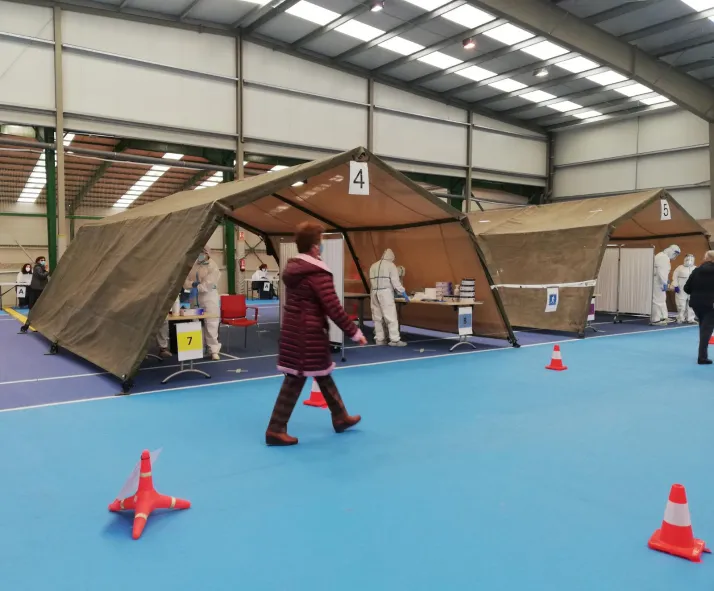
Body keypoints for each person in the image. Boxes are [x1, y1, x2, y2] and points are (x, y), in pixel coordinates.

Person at [266, 222, 367, 446]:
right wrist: (354, 332)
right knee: (295, 380)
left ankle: (340, 417)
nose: (321, 246)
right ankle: (275, 429)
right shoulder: (316, 273)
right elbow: (333, 307)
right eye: (320, 242)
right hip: (307, 335)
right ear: (314, 247)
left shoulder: (296, 270)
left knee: (323, 374)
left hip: (297, 332)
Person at [183, 246, 221, 361]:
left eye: (202, 252)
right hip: (194, 297)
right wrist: (192, 285)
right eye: (199, 252)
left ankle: (213, 350)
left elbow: (208, 285)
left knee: (211, 323)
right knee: (195, 322)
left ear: (207, 253)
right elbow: (185, 281)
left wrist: (195, 285)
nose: (200, 254)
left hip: (209, 297)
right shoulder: (194, 265)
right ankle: (197, 348)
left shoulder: (213, 266)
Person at [369, 248, 408, 346]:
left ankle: (379, 339)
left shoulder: (373, 266)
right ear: (392, 257)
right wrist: (403, 293)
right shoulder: (391, 265)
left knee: (377, 317)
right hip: (385, 293)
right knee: (391, 317)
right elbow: (396, 282)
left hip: (374, 293)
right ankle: (395, 340)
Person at [684, 251, 714, 364]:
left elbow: (686, 288)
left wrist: (697, 292)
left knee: (703, 327)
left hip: (696, 304)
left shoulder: (696, 270)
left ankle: (702, 355)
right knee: (707, 329)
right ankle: (702, 357)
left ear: (706, 258)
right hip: (711, 304)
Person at [651, 244, 680, 325]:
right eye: (675, 254)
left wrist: (666, 281)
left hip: (659, 281)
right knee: (657, 300)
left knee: (662, 299)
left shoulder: (662, 256)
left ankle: (663, 317)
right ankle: (656, 319)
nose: (675, 256)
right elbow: (662, 272)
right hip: (658, 282)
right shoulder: (663, 258)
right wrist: (665, 283)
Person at [20, 256, 49, 333]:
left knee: (37, 309)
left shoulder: (40, 268)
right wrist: (47, 271)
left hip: (39, 290)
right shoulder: (37, 268)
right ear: (38, 261)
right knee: (33, 309)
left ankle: (31, 326)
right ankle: (26, 326)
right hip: (36, 291)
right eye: (41, 260)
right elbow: (42, 276)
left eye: (44, 260)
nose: (43, 261)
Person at [672, 254, 697, 324]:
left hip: (692, 288)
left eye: (691, 259)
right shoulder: (679, 268)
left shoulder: (696, 268)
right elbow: (674, 277)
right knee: (681, 304)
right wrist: (675, 285)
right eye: (688, 259)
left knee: (691, 303)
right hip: (681, 287)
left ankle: (691, 319)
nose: (689, 261)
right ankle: (680, 318)